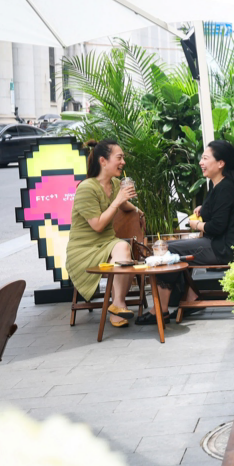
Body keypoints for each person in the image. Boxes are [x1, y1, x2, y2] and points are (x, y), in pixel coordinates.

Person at [135, 140, 234, 325]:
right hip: (217, 243)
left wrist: (195, 225)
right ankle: (189, 296)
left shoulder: (226, 188)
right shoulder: (217, 185)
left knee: (166, 250)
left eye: (205, 158)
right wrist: (202, 209)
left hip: (224, 248)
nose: (200, 162)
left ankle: (161, 309)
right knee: (169, 248)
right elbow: (211, 210)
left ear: (220, 163)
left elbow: (216, 227)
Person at [66, 139, 145, 328]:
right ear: (103, 161)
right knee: (122, 251)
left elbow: (124, 205)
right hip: (84, 249)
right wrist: (118, 200)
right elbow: (98, 226)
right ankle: (118, 305)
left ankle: (117, 304)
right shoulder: (86, 188)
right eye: (119, 158)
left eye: (123, 158)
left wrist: (136, 210)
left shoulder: (116, 183)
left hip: (107, 243)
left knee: (123, 249)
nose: (123, 162)